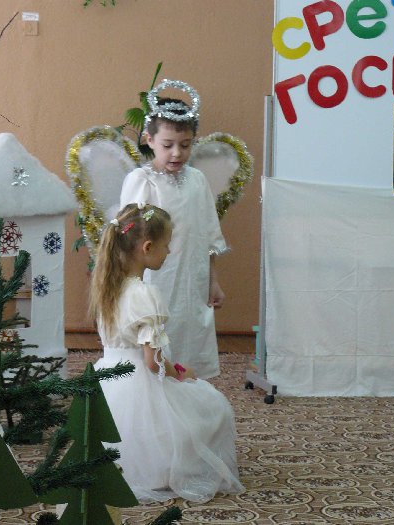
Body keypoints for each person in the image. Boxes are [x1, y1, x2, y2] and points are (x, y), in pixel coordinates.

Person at [90, 202, 243, 503]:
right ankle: (162, 471)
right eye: (166, 245)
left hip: (107, 380)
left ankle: (137, 467)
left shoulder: (107, 288)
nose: (169, 251)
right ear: (147, 247)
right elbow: (153, 362)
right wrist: (182, 373)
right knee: (214, 408)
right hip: (139, 381)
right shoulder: (144, 295)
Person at [120, 80, 226, 379]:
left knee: (190, 339)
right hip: (156, 281)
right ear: (150, 140)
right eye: (168, 145)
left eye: (185, 145)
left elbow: (209, 234)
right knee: (159, 338)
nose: (177, 153)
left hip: (193, 280)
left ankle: (188, 389)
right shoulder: (142, 180)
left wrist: (213, 281)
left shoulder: (197, 181)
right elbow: (128, 237)